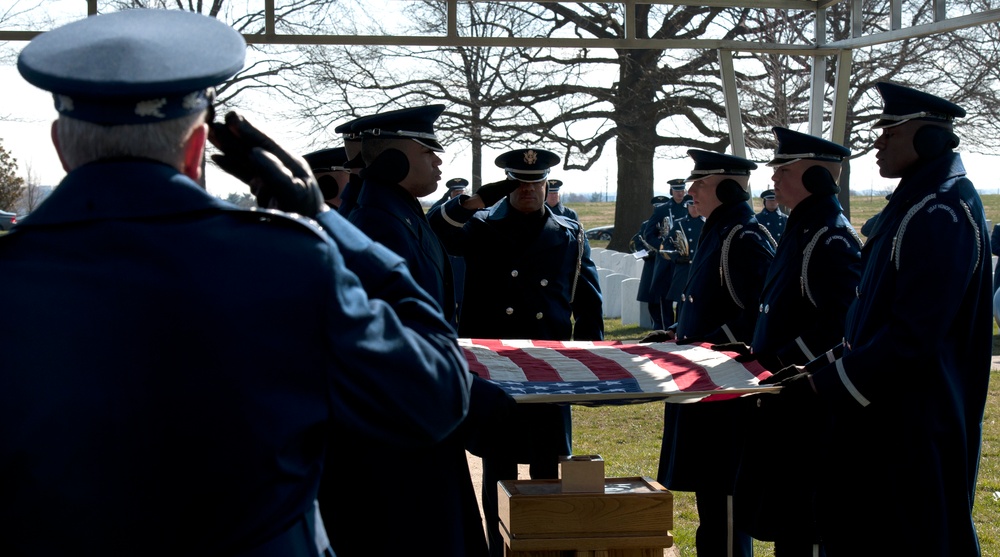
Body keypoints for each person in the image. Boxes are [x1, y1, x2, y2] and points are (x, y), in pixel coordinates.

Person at [2, 9, 472, 556]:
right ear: (197, 147)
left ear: (61, 144)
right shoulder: (290, 263)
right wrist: (330, 225)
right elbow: (435, 396)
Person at [764, 82, 992, 557]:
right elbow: (866, 323)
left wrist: (823, 386)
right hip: (882, 416)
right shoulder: (915, 203)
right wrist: (817, 367)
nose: (877, 143)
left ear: (929, 137)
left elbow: (913, 336)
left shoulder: (941, 210)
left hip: (913, 424)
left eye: (889, 131)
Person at [321, 105, 512, 557]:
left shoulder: (397, 212)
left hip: (416, 420)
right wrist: (475, 398)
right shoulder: (378, 224)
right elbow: (390, 343)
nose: (439, 162)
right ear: (394, 158)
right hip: (400, 434)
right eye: (428, 150)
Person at [429, 147, 604, 557]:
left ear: (547, 185)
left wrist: (591, 357)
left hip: (550, 365)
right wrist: (470, 203)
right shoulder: (481, 226)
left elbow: (587, 298)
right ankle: (497, 548)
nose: (528, 190)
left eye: (536, 183)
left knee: (549, 464)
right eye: (519, 183)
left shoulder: (569, 233)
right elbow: (434, 230)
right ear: (507, 186)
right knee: (499, 464)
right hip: (498, 365)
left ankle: (547, 547)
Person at [728, 127, 861, 556]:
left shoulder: (829, 235)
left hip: (809, 397)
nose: (775, 180)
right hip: (784, 393)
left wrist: (787, 361)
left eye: (783, 169)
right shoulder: (801, 228)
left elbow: (840, 322)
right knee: (785, 517)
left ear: (815, 177)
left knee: (804, 523)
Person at [643, 149, 775, 557]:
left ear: (728, 187)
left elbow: (757, 319)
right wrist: (676, 335)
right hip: (707, 389)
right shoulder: (721, 232)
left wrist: (700, 347)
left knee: (727, 511)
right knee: (712, 511)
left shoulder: (744, 237)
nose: (691, 191)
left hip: (728, 396)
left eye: (700, 183)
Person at [642, 179, 689, 328]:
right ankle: (665, 329)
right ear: (671, 192)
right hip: (667, 261)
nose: (680, 194)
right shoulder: (662, 210)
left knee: (684, 296)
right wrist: (662, 247)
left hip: (684, 261)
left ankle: (681, 327)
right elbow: (648, 234)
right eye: (676, 191)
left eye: (682, 190)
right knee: (665, 297)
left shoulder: (691, 207)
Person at [660, 194, 704, 324]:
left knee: (698, 301)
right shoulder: (680, 224)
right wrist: (676, 257)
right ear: (687, 207)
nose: (694, 209)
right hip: (683, 269)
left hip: (698, 269)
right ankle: (678, 329)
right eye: (691, 205)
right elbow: (666, 245)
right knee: (681, 301)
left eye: (695, 205)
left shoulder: (705, 224)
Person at [634, 195, 670, 329]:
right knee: (652, 298)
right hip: (652, 264)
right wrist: (646, 253)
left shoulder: (673, 223)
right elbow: (638, 242)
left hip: (667, 264)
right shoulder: (646, 224)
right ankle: (656, 325)